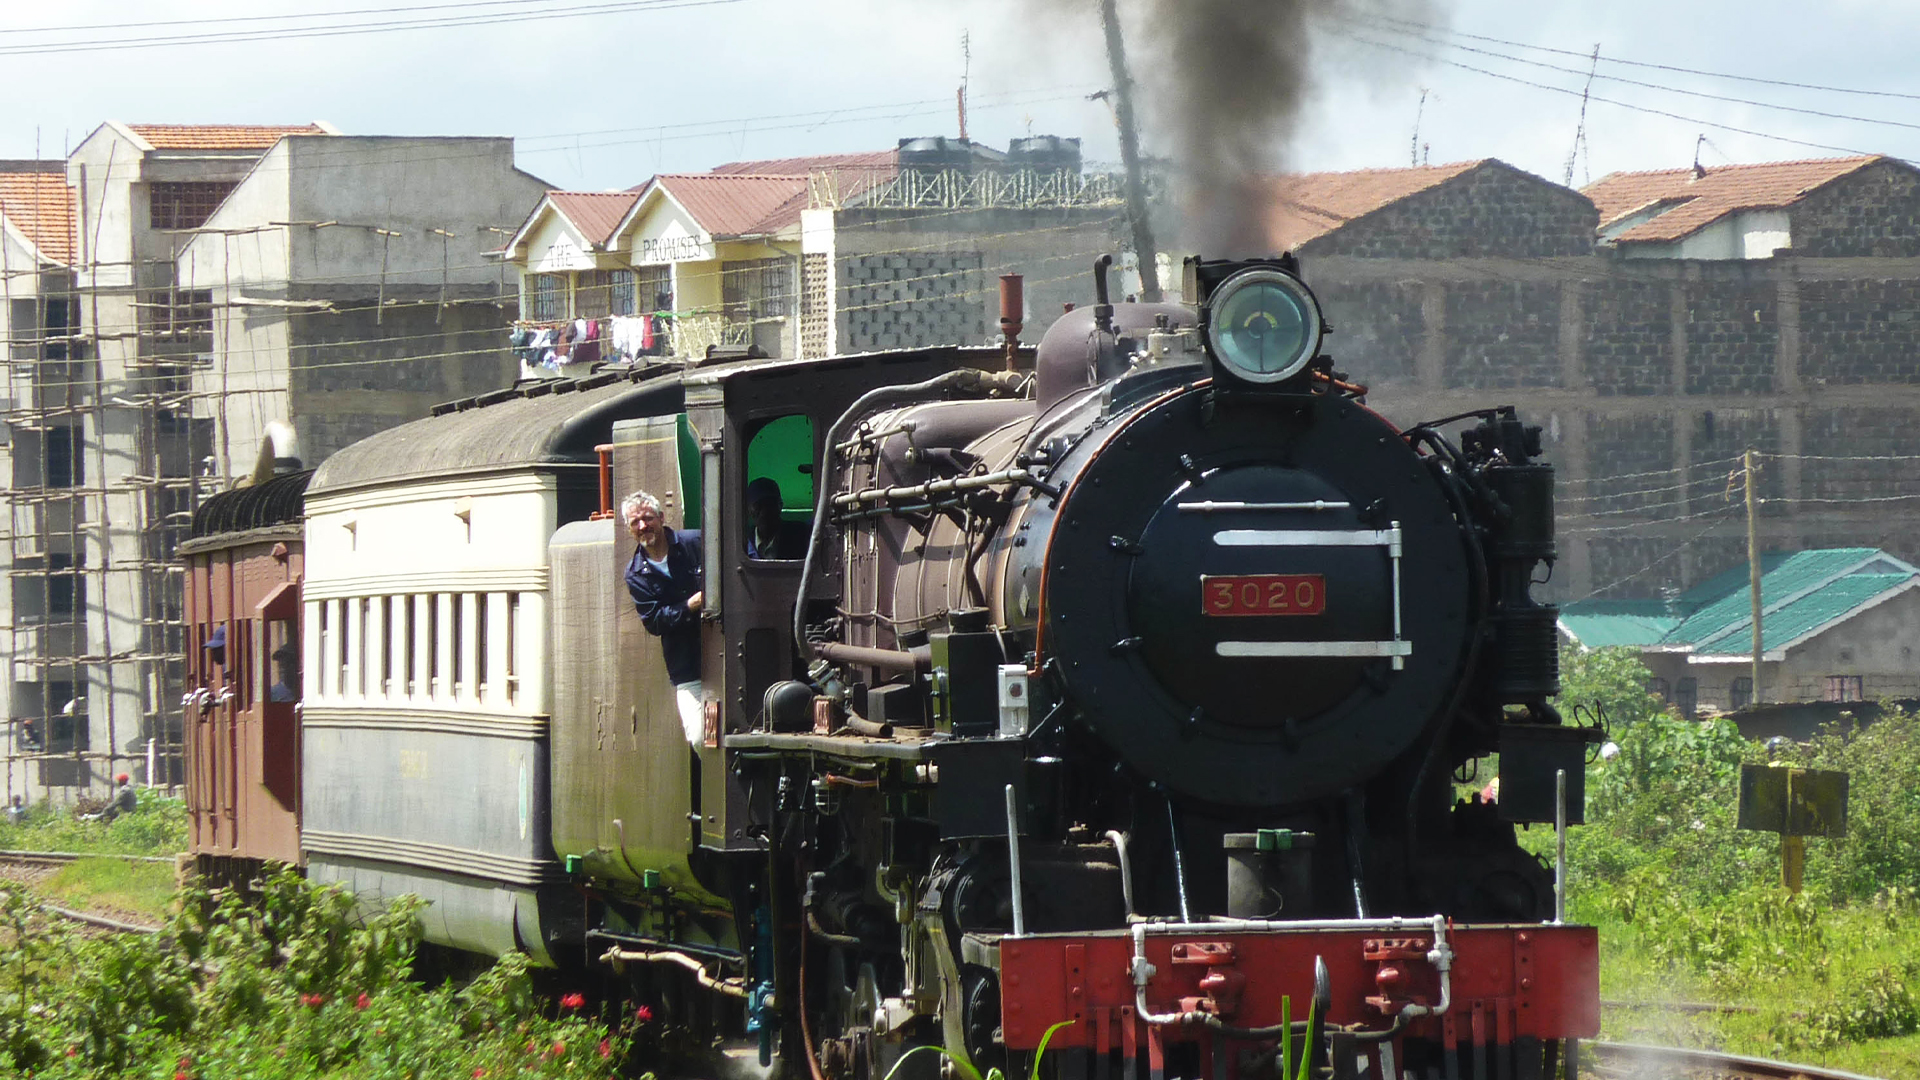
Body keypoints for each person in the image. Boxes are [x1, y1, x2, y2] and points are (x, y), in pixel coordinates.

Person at [623, 490, 705, 745]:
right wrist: (689, 605)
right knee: (700, 737)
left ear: (661, 517)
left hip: (727, 653)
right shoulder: (636, 574)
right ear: (629, 529)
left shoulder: (696, 542)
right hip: (686, 666)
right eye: (635, 522)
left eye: (647, 518)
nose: (643, 526)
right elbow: (655, 621)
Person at [745, 477, 809, 561]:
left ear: (780, 506)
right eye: (758, 506)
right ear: (748, 510)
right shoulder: (743, 541)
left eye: (770, 505)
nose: (764, 512)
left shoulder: (801, 536)